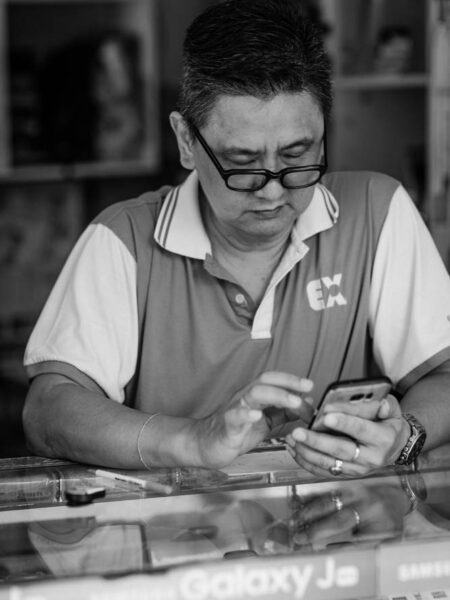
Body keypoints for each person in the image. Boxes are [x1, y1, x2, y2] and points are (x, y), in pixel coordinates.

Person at [22, 0, 450, 479]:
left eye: (296, 156)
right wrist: (195, 440)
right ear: (186, 141)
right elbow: (48, 412)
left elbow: (444, 377)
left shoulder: (378, 211)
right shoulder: (121, 240)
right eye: (242, 164)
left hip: (337, 541)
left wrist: (405, 433)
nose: (272, 189)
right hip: (176, 544)